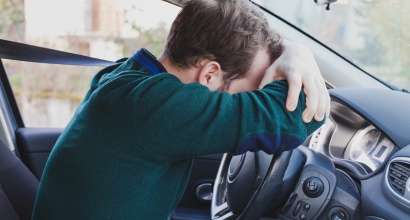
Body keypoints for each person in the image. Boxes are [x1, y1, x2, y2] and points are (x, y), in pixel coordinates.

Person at [32, 0, 329, 219]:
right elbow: (295, 118)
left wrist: (290, 50)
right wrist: (299, 53)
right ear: (210, 74)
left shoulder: (129, 78)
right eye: (253, 91)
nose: (255, 99)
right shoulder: (157, 108)